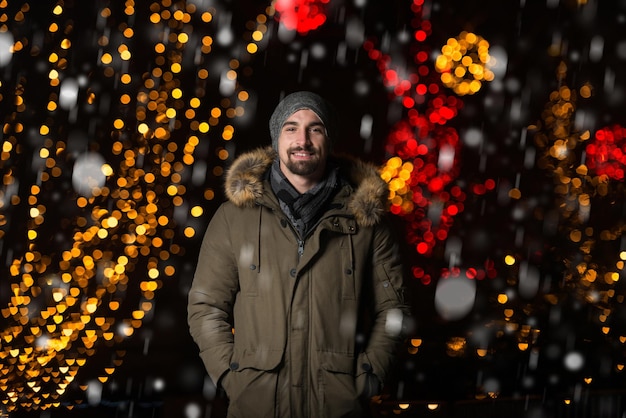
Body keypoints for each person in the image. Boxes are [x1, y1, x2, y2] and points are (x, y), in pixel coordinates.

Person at [187, 91, 410, 418]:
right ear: (276, 138)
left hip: (338, 408)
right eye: (291, 128)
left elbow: (395, 310)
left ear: (328, 139)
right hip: (256, 408)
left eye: (314, 128)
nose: (302, 140)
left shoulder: (366, 221)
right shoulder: (234, 218)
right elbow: (205, 306)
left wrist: (369, 377)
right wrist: (231, 377)